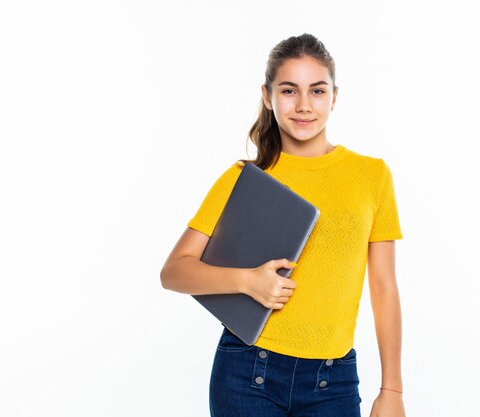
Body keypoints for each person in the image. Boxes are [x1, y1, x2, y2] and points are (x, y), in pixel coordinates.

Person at [160, 33, 406, 417]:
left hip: (333, 380)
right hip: (247, 371)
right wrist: (246, 282)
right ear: (267, 95)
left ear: (334, 97)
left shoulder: (371, 176)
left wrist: (392, 389)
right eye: (289, 91)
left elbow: (384, 286)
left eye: (318, 91)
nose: (304, 105)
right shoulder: (244, 178)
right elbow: (174, 272)